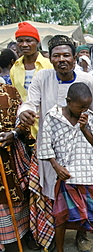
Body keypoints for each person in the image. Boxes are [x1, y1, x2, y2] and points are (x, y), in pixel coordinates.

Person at [18, 35, 93, 252]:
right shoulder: (42, 78)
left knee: (83, 193)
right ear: (49, 58)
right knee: (52, 194)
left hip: (79, 151)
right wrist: (25, 113)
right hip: (51, 151)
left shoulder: (87, 80)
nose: (61, 59)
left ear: (74, 57)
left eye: (66, 55)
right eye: (56, 56)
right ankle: (52, 235)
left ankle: (82, 235)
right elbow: (30, 103)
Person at [38, 83, 93, 252]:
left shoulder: (89, 117)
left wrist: (84, 129)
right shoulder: (52, 117)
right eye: (81, 106)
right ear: (68, 101)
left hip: (88, 173)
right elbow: (46, 146)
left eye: (87, 106)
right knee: (61, 215)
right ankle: (60, 248)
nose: (84, 110)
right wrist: (56, 166)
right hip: (66, 175)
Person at [0, 83, 35, 251]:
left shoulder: (10, 91)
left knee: (15, 201)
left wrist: (13, 134)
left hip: (10, 160)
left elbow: (24, 124)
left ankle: (21, 238)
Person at [10, 22, 53, 102]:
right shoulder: (15, 68)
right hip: (23, 113)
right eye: (20, 41)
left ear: (37, 43)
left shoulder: (49, 65)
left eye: (29, 41)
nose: (24, 45)